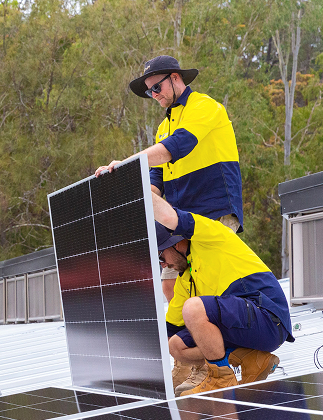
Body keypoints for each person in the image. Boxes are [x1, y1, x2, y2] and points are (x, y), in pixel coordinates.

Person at [95, 55, 244, 389]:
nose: (155, 96)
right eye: (149, 92)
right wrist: (121, 186)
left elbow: (176, 148)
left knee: (205, 291)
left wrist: (126, 163)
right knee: (169, 285)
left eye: (157, 87)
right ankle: (189, 358)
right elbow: (155, 180)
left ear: (176, 79)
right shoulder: (163, 126)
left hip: (214, 212)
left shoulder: (206, 107)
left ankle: (216, 366)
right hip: (179, 221)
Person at [151, 190, 293, 396]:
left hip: (268, 318)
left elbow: (167, 217)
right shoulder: (185, 279)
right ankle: (252, 359)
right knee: (177, 345)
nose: (164, 264)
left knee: (193, 308)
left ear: (176, 243)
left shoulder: (208, 236)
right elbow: (169, 330)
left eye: (161, 256)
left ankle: (221, 379)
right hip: (245, 324)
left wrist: (139, 187)